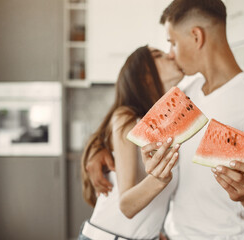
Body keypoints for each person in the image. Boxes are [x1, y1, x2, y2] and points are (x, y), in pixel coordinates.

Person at [86, 0, 244, 239]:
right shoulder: (183, 94)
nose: (171, 54)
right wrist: (96, 148)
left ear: (196, 36)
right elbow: (131, 113)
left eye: (172, 43)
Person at [78, 45, 184, 240]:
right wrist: (159, 179)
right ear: (146, 76)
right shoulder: (126, 117)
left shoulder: (167, 121)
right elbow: (126, 205)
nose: (170, 54)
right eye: (159, 55)